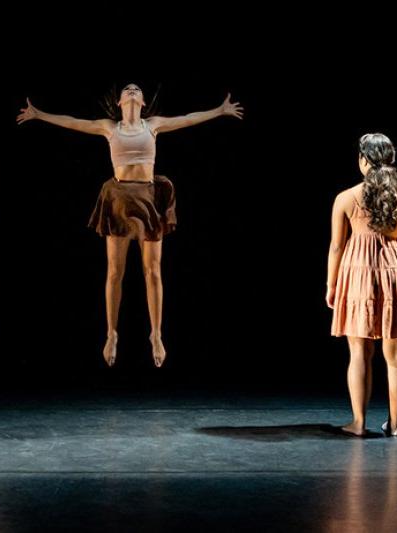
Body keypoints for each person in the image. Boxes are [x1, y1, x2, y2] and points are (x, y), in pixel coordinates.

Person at [17, 83, 243, 367]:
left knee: (153, 272)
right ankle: (111, 333)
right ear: (121, 102)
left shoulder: (153, 125)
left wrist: (219, 111)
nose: (133, 90)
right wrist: (39, 115)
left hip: (148, 197)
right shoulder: (110, 128)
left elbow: (187, 119)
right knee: (114, 272)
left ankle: (157, 334)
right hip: (119, 198)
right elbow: (74, 123)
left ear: (144, 101)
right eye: (128, 90)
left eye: (137, 89)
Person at [327, 133, 397, 437]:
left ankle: (358, 423)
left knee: (359, 352)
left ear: (363, 160)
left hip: (358, 274)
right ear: (391, 160)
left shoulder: (346, 198)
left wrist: (331, 284)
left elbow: (337, 247)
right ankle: (394, 425)